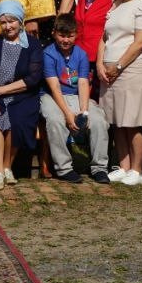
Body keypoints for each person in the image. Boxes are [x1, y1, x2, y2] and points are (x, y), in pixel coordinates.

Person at [98, 0, 142, 186]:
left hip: (131, 69)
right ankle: (123, 166)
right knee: (116, 120)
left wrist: (118, 66)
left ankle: (137, 170)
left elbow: (140, 42)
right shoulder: (117, 3)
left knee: (132, 121)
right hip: (109, 71)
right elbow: (105, 37)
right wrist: (100, 64)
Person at [0, 0, 45, 190]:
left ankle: (8, 167)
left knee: (17, 119)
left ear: (20, 21)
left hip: (23, 96)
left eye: (12, 21)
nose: (8, 26)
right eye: (3, 22)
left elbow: (33, 78)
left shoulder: (32, 45)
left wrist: (1, 90)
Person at [40, 14, 98, 184]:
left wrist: (84, 112)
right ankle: (64, 168)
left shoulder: (81, 54)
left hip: (75, 95)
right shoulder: (48, 54)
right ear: (54, 33)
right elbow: (54, 87)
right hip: (52, 96)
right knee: (55, 120)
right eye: (62, 35)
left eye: (70, 36)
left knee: (99, 120)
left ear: (76, 35)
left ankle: (99, 167)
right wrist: (67, 113)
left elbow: (83, 82)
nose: (66, 40)